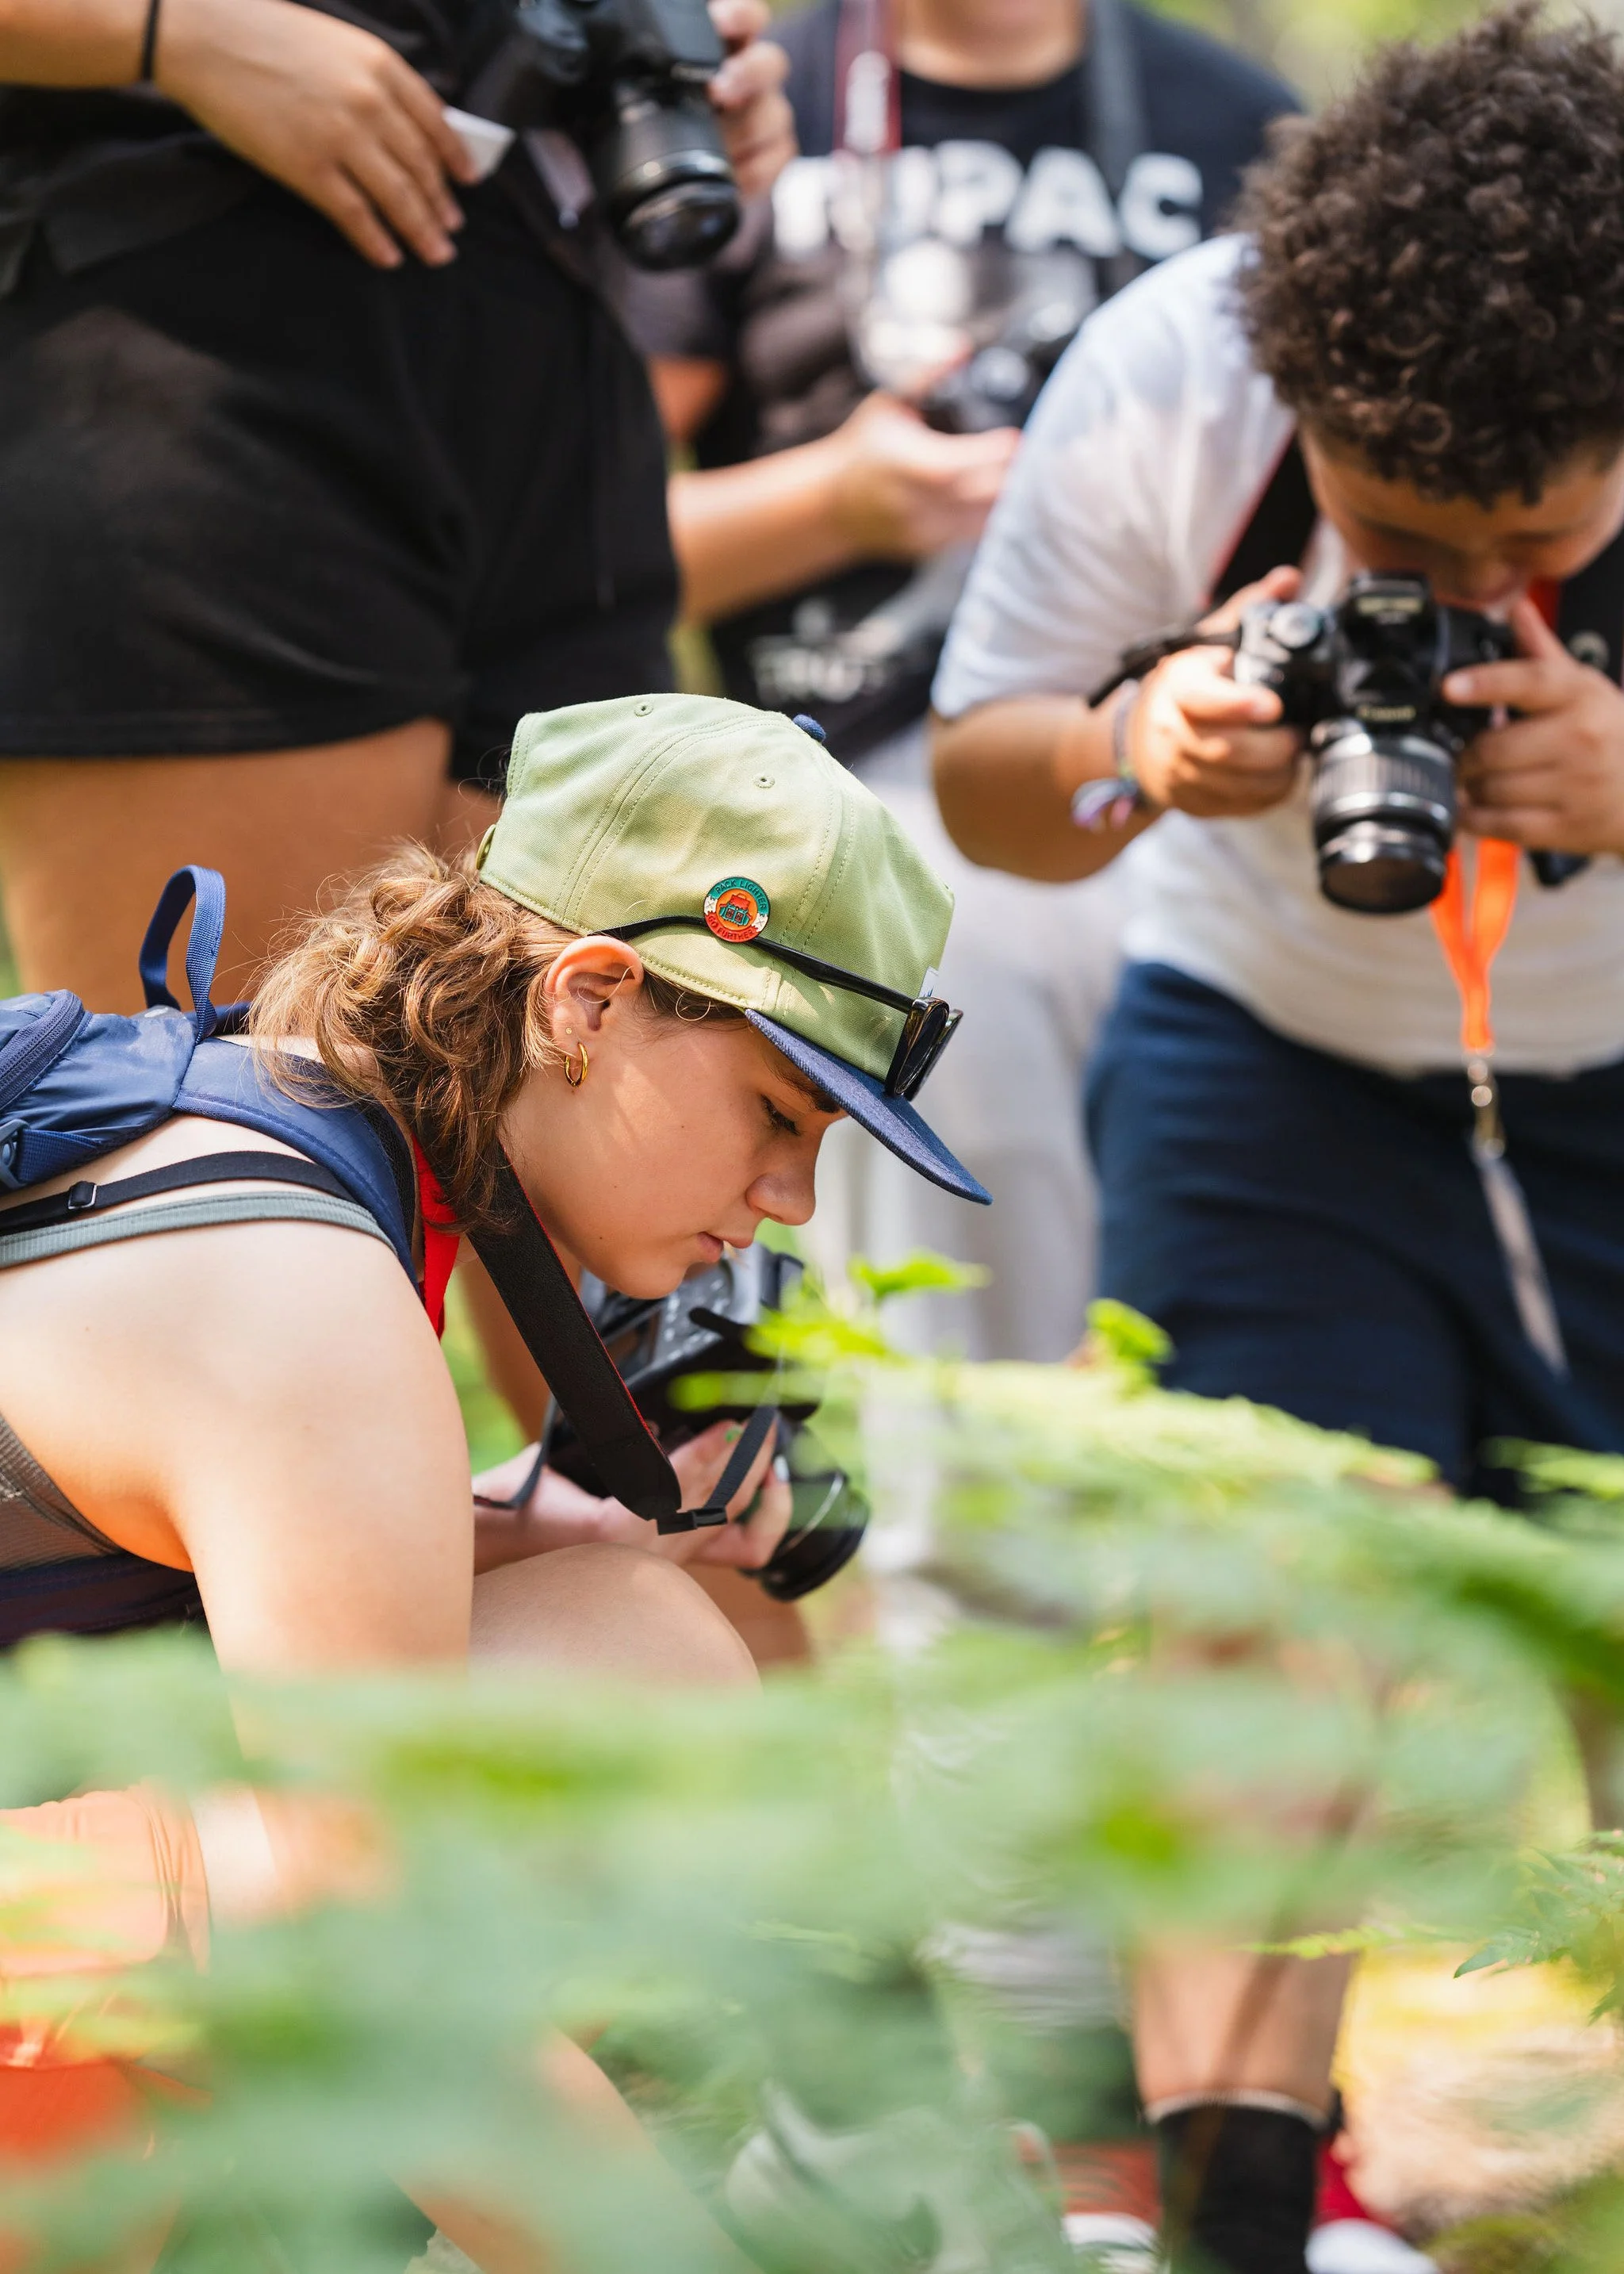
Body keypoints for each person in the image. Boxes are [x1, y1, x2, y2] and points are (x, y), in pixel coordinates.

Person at [931, 7, 1624, 2268]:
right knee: (1261, 1642)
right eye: (1395, 532)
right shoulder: (1167, 372)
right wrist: (1142, 740)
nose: (1466, 589)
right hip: (1269, 1071)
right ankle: (1228, 2210)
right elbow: (984, 785)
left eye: (1534, 539)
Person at [0, 692, 990, 2264]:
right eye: (777, 1114)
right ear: (588, 999)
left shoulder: (283, 1115)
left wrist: (527, 1522)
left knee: (631, 1640)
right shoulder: (302, 1282)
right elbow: (387, 1977)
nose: (792, 1198)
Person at [626, 0, 1295, 1359]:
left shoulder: (1233, 122)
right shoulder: (740, 103)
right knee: (958, 973)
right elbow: (561, 559)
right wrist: (840, 505)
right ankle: (983, 1550)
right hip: (852, 768)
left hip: (1204, 757)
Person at [0, 0, 795, 1010]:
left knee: (557, 1125)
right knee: (224, 1121)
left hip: (557, 379)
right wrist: (172, 31)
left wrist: (677, 70)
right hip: (198, 355)